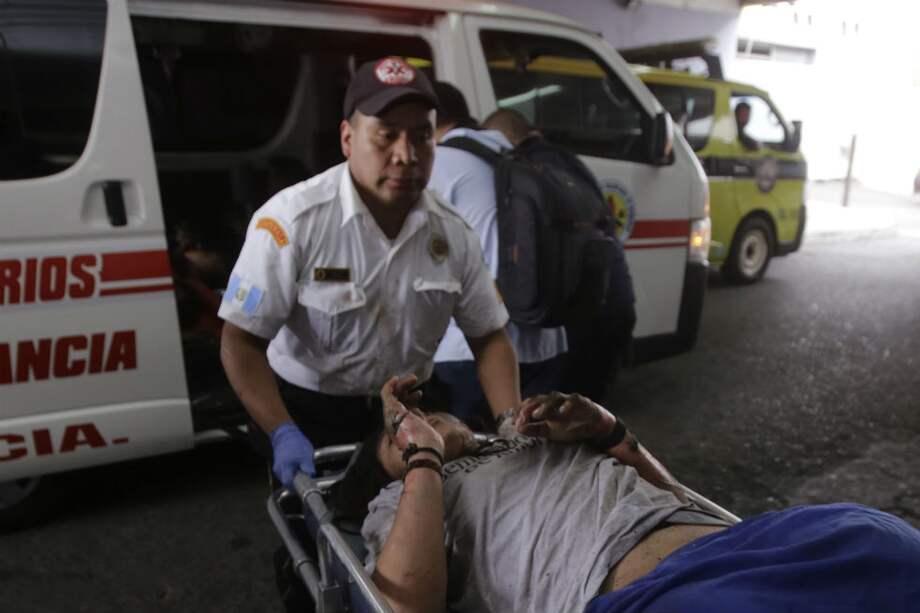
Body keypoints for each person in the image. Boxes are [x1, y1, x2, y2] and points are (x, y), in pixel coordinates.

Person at [345, 375, 920, 613]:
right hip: (651, 594)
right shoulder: (400, 504)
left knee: (879, 538)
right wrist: (421, 456)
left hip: (743, 543)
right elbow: (406, 605)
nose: (422, 420)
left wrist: (610, 433)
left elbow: (674, 496)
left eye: (427, 416)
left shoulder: (520, 441)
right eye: (398, 437)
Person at [218, 57, 520, 489]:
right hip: (314, 417)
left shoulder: (453, 233)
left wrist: (510, 423)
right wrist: (282, 431)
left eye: (421, 137)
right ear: (347, 138)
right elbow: (241, 341)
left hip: (412, 413)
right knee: (319, 542)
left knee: (424, 543)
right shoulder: (291, 223)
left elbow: (489, 335)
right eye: (386, 135)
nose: (406, 154)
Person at [426, 83, 567, 429]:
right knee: (531, 457)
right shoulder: (520, 156)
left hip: (469, 351)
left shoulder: (439, 163)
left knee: (470, 468)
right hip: (547, 340)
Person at [483, 108, 636, 403]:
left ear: (504, 137)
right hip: (612, 303)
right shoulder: (566, 161)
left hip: (579, 318)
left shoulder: (528, 168)